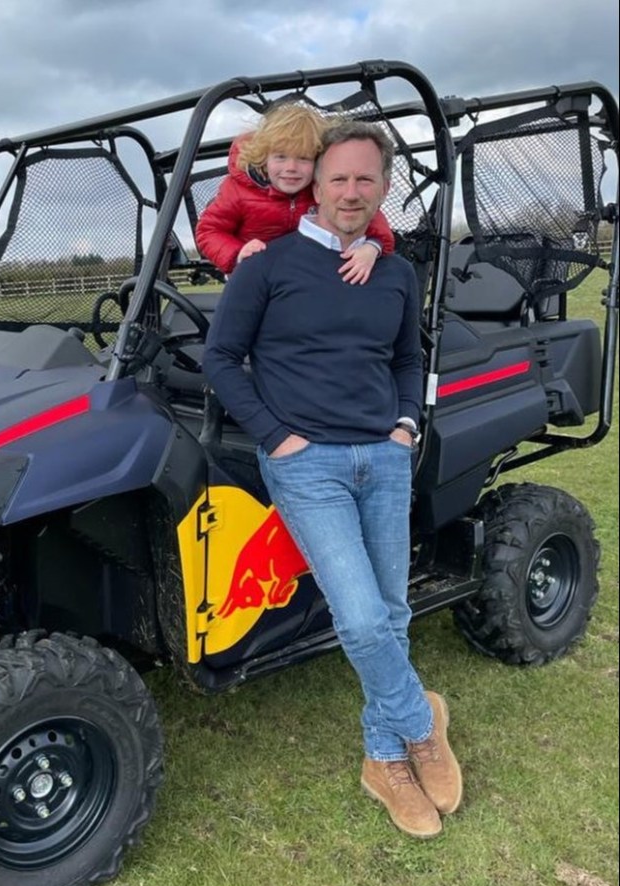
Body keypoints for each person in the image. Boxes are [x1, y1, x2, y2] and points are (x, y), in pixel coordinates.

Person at [203, 120, 462, 838]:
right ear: (314, 185)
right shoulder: (267, 266)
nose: (351, 192)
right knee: (359, 616)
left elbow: (408, 358)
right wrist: (278, 438)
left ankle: (383, 756)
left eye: (365, 180)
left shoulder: (395, 271)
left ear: (383, 188)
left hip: (381, 457)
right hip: (306, 462)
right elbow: (222, 359)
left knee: (393, 610)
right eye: (338, 178)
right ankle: (420, 722)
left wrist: (405, 423)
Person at [194, 102, 395, 282]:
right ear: (265, 157)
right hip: (255, 273)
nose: (291, 167)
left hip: (309, 273)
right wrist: (237, 254)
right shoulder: (238, 190)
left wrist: (372, 247)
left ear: (317, 161)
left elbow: (370, 217)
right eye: (281, 157)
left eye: (303, 158)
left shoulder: (320, 190)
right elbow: (208, 231)